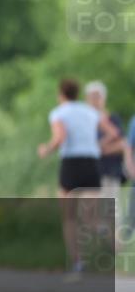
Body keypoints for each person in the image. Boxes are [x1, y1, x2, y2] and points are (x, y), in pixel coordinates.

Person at [38, 78, 109, 277]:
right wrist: (99, 145)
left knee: (69, 217)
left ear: (61, 93)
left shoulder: (59, 112)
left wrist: (45, 150)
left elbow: (60, 138)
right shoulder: (90, 111)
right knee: (92, 216)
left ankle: (78, 261)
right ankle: (105, 232)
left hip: (71, 164)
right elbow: (112, 133)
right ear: (78, 93)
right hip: (92, 163)